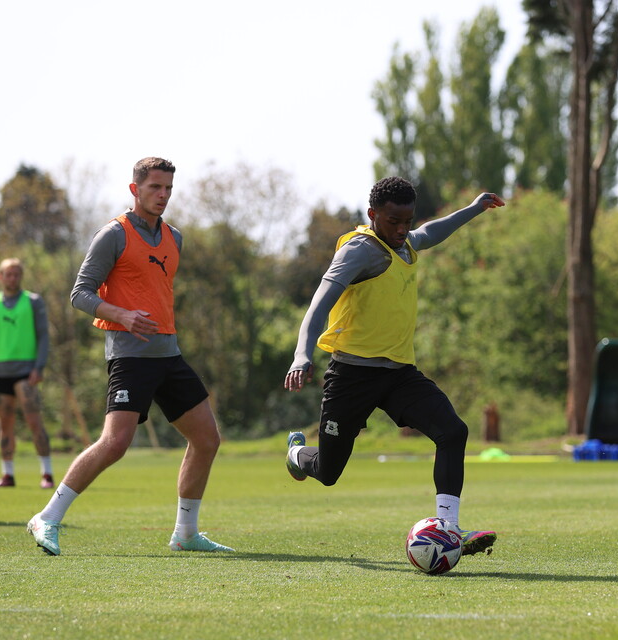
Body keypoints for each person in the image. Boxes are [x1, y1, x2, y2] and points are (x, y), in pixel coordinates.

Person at [284, 176, 503, 556]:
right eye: (393, 222)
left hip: (399, 373)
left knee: (453, 431)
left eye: (407, 221)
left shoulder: (404, 244)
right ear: (372, 215)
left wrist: (473, 208)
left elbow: (428, 233)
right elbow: (319, 304)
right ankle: (296, 455)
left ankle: (448, 528)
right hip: (351, 375)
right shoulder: (357, 251)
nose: (402, 230)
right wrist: (302, 353)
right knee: (329, 472)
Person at [26, 157, 232, 556]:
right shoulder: (112, 235)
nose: (163, 195)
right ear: (135, 189)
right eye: (155, 187)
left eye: (169, 189)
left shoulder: (176, 237)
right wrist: (121, 314)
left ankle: (185, 533)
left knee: (207, 439)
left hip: (169, 353)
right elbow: (79, 293)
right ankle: (47, 517)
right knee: (116, 443)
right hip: (130, 357)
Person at [0, 258, 54, 489]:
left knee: (34, 421)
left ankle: (47, 473)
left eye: (16, 274)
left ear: (20, 276)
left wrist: (38, 367)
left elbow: (43, 336)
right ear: (0, 277)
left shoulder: (33, 301)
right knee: (6, 425)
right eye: (8, 274)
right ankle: (8, 475)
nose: (12, 278)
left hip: (26, 372)